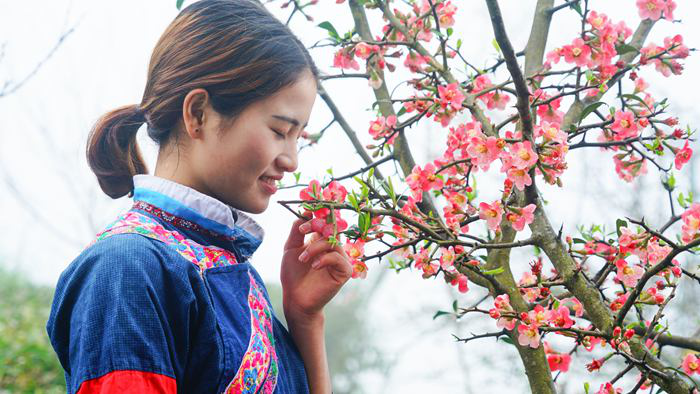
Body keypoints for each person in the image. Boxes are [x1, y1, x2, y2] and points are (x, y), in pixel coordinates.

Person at [46, 1, 353, 393]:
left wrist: (305, 319)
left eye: (299, 137)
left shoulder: (234, 272)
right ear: (199, 114)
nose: (291, 161)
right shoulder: (127, 268)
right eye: (280, 130)